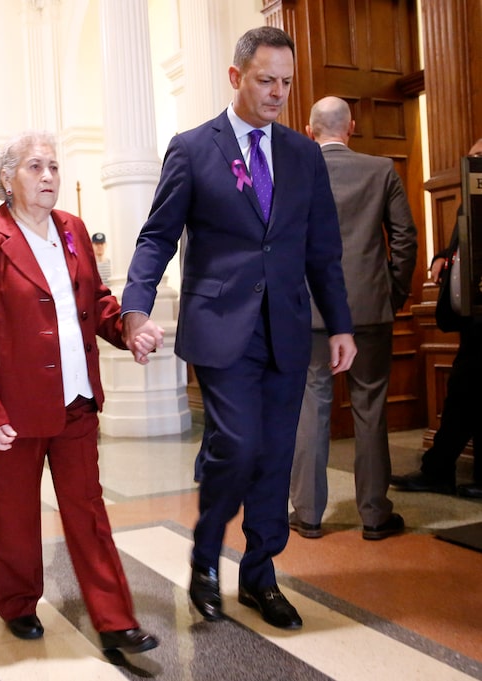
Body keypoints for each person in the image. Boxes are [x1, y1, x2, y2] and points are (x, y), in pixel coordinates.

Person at [121, 27, 356, 630]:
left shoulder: (303, 155)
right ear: (236, 77)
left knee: (277, 452)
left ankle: (259, 571)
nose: (277, 92)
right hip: (221, 323)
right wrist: (137, 307)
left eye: (286, 82)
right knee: (239, 445)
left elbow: (322, 249)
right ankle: (204, 558)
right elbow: (158, 236)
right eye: (265, 80)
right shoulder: (194, 147)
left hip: (287, 325)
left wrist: (340, 325)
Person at [0, 131, 161, 656]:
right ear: (7, 177)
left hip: (77, 401)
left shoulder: (72, 229)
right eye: (35, 167)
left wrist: (127, 328)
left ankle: (114, 619)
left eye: (54, 167)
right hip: (15, 410)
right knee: (17, 515)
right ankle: (18, 602)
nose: (48, 177)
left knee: (89, 511)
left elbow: (96, 299)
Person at [289, 96, 418, 540]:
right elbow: (404, 238)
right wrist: (392, 294)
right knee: (370, 408)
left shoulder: (295, 172)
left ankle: (307, 512)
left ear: (310, 130)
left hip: (311, 314)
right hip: (368, 310)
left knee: (311, 406)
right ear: (352, 127)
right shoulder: (381, 169)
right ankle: (375, 515)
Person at [391, 139, 482, 500]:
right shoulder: (470, 201)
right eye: (472, 157)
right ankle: (438, 470)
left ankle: (440, 469)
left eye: (478, 158)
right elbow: (467, 243)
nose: (472, 163)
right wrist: (443, 256)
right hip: (473, 319)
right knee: (464, 393)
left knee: (466, 393)